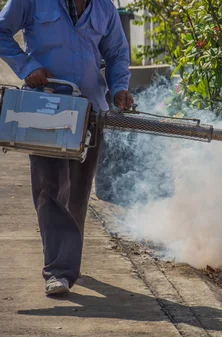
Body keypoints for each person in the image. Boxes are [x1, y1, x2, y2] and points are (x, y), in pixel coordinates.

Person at [0, 0, 134, 295]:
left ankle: (68, 262)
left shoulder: (104, 8)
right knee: (50, 190)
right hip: (46, 107)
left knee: (77, 194)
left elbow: (116, 53)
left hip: (90, 111)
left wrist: (120, 87)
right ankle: (59, 271)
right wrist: (27, 66)